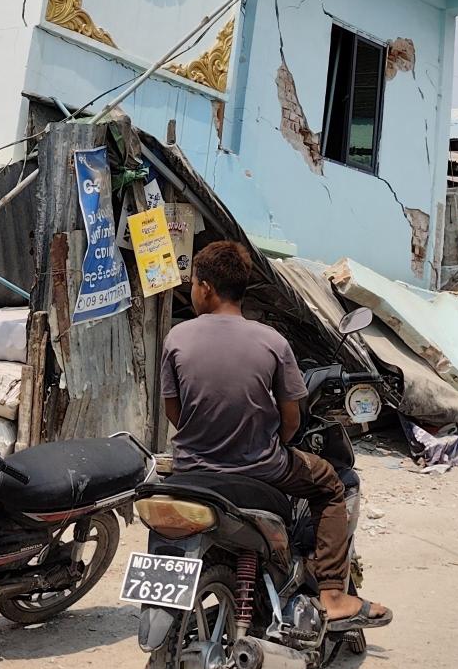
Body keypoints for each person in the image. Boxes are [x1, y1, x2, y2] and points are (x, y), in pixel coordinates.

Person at [160, 241, 391, 631]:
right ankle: (333, 596)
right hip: (260, 467)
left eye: (194, 284)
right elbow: (291, 419)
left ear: (206, 288)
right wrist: (275, 441)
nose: (194, 290)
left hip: (190, 467)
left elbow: (174, 412)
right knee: (331, 486)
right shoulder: (272, 342)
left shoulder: (176, 338)